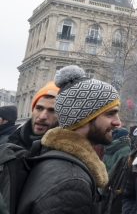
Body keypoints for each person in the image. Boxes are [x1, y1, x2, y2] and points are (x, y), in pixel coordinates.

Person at [17, 65, 121, 214]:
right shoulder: (72, 182)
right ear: (84, 117)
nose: (118, 122)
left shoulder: (55, 158)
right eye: (110, 114)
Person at [7, 81, 60, 149]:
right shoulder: (9, 142)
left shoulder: (65, 154)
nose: (42, 117)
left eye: (52, 110)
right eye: (39, 108)